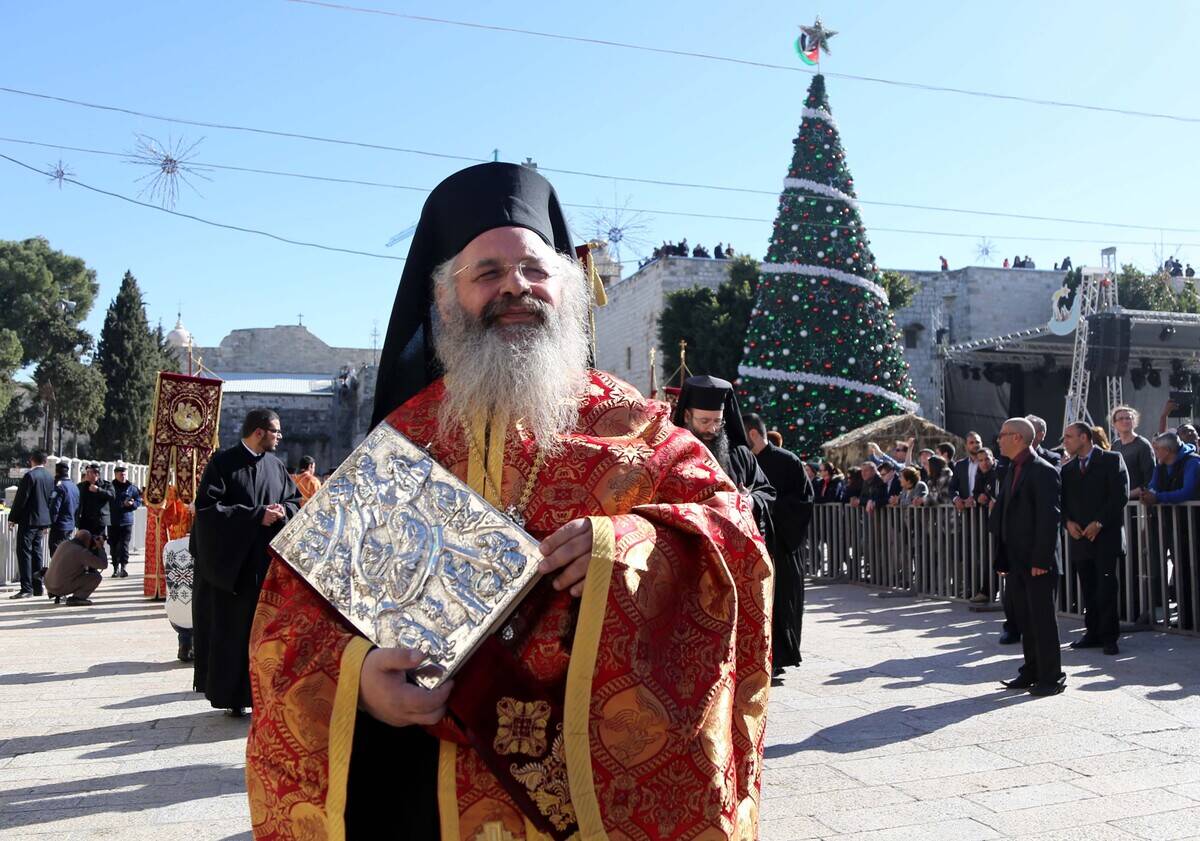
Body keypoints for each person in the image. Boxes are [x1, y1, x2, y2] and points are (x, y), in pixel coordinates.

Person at [246, 162, 773, 840]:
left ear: (568, 288)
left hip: (596, 804)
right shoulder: (401, 444)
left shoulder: (636, 426)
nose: (514, 288)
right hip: (422, 793)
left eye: (532, 268)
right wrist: (361, 681)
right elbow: (288, 619)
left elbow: (736, 535)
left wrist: (636, 544)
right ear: (444, 301)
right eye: (487, 273)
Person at [191, 408, 302, 717]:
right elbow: (208, 512)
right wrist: (255, 516)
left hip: (266, 570)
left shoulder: (276, 466)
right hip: (235, 573)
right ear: (258, 432)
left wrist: (282, 512)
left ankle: (265, 694)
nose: (279, 436)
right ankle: (234, 696)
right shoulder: (223, 465)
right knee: (234, 635)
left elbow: (295, 501)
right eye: (275, 431)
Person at [992, 417, 1065, 696]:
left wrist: (1041, 560)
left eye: (1003, 434)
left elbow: (1049, 519)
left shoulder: (1042, 470)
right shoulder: (1013, 468)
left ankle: (1051, 676)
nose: (998, 439)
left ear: (1018, 438)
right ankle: (1031, 670)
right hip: (1016, 559)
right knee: (1025, 618)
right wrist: (1002, 557)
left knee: (1043, 620)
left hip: (1037, 561)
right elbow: (1005, 515)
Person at [744, 412, 813, 674]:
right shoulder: (747, 462)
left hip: (782, 544)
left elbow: (803, 502)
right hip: (756, 544)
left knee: (783, 602)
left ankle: (781, 657)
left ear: (753, 434)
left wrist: (767, 507)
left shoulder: (788, 461)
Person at [674, 376, 776, 530]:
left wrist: (748, 500)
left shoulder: (740, 454)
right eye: (704, 421)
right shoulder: (672, 454)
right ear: (687, 416)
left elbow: (767, 491)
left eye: (717, 421)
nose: (712, 429)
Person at [1061, 422, 1128, 655]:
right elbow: (1062, 503)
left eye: (1069, 436)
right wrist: (1067, 523)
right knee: (1088, 588)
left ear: (1084, 437)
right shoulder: (1068, 470)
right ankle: (1093, 633)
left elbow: (1120, 495)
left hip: (1105, 537)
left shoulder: (1111, 459)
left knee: (1106, 587)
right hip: (1080, 539)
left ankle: (1110, 636)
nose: (1065, 441)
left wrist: (1099, 522)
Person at [1141, 431, 1200, 628]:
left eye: (1157, 448)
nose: (1154, 452)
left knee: (1194, 570)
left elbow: (1188, 491)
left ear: (1167, 450)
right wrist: (1150, 494)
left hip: (1192, 524)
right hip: (1173, 525)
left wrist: (1159, 498)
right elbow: (1154, 486)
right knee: (1181, 570)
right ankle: (1186, 617)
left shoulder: (1193, 462)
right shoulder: (1161, 465)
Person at [6, 451, 55, 599]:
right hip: (42, 521)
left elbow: (21, 499)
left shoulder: (30, 476)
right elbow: (50, 500)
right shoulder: (49, 477)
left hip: (28, 521)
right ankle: (37, 586)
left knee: (24, 553)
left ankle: (26, 588)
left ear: (31, 460)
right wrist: (47, 520)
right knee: (37, 553)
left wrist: (13, 517)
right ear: (45, 462)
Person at [44, 529, 108, 606]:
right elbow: (103, 565)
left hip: (49, 584)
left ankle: (55, 592)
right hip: (59, 587)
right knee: (96, 577)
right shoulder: (81, 552)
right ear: (87, 541)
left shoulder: (64, 544)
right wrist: (100, 547)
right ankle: (77, 598)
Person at [1111, 406, 1154, 499]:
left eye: (1128, 418)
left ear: (1134, 422)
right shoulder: (1115, 445)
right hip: (1120, 503)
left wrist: (1128, 494)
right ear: (1114, 424)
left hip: (1138, 503)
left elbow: (1150, 478)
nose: (1125, 421)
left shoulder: (1143, 445)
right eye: (1121, 419)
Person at [108, 465, 141, 579]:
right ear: (116, 474)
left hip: (126, 520)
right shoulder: (110, 487)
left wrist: (132, 504)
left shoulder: (131, 487)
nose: (123, 476)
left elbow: (138, 500)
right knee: (113, 545)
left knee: (124, 545)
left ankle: (124, 567)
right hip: (113, 520)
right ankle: (115, 567)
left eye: (125, 474)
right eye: (121, 474)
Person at [48, 462, 79, 558]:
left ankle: (59, 573)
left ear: (57, 473)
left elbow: (54, 508)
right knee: (66, 552)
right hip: (70, 524)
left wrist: (50, 523)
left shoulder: (60, 487)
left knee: (56, 554)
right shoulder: (74, 487)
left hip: (59, 526)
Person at [76, 464, 114, 538]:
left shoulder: (106, 485)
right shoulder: (81, 486)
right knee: (83, 543)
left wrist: (98, 490)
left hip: (99, 521)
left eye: (89, 472)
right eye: (86, 472)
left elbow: (112, 496)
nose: (86, 474)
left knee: (97, 544)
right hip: (84, 520)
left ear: (96, 474)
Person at [951, 431, 984, 508]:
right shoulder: (960, 465)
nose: (975, 445)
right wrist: (956, 499)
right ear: (966, 446)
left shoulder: (991, 464)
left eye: (977, 442)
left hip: (986, 511)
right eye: (971, 443)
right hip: (966, 512)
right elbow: (952, 487)